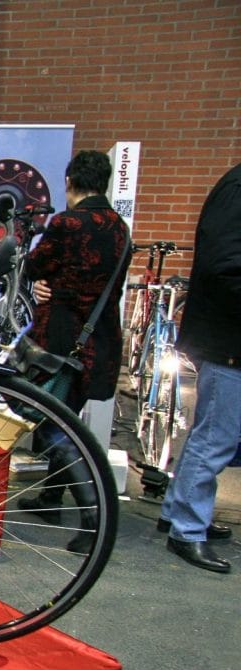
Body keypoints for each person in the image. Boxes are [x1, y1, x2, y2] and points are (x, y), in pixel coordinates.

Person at [17, 150, 131, 554]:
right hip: (99, 340)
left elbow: (32, 266)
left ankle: (94, 519)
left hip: (62, 339)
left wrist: (45, 282)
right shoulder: (120, 227)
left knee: (50, 422)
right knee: (69, 416)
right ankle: (50, 499)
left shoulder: (67, 222)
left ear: (69, 181)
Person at [154, 163, 241, 573]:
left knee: (211, 433)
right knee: (216, 437)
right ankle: (187, 529)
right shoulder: (238, 188)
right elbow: (225, 265)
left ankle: (179, 513)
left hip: (226, 335)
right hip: (229, 337)